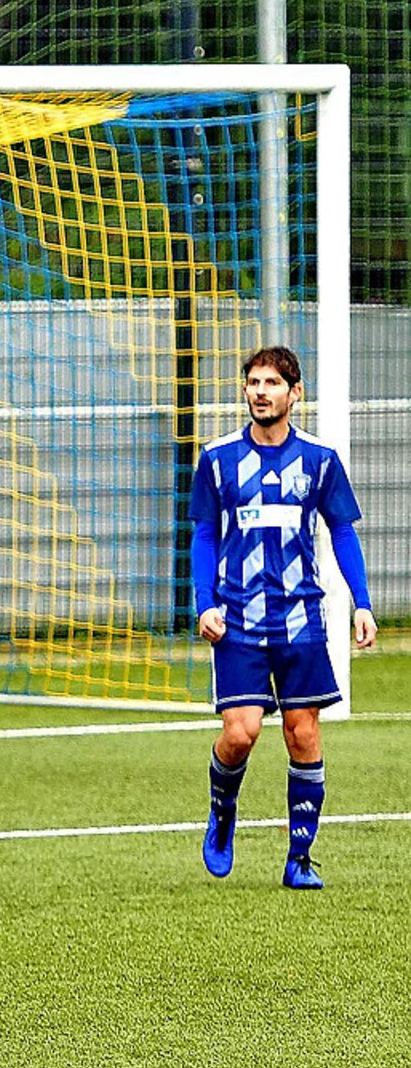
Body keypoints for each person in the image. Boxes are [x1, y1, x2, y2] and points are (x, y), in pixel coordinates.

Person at [193, 345, 377, 890]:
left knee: (303, 734)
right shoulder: (218, 458)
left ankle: (299, 858)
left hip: (300, 618)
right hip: (238, 618)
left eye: (272, 383)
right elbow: (204, 533)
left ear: (295, 393)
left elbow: (341, 531)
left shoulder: (320, 460)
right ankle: (222, 810)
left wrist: (362, 602)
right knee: (241, 733)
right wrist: (205, 603)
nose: (260, 391)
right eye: (254, 382)